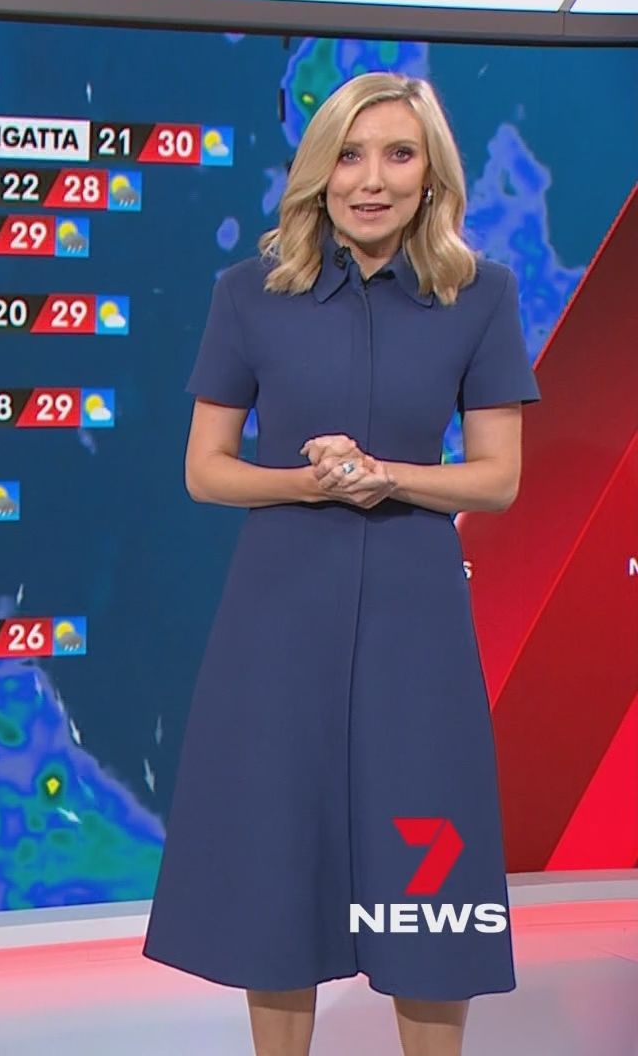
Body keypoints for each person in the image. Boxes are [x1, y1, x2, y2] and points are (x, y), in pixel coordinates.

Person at [141, 71, 540, 1056]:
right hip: (279, 616)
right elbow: (205, 469)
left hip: (417, 618)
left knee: (430, 874)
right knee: (280, 876)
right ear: (319, 171)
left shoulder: (480, 295)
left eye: (399, 155)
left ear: (431, 172)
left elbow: (496, 479)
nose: (372, 180)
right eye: (351, 156)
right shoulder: (250, 295)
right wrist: (311, 483)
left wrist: (387, 477)